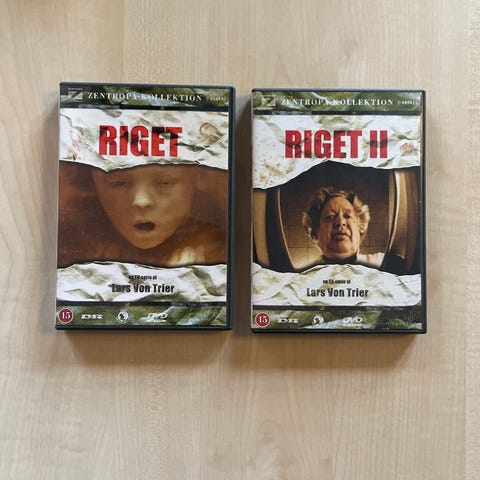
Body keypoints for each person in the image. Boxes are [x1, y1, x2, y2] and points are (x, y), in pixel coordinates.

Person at [57, 162, 227, 268]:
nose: (141, 201)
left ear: (199, 177)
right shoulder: (74, 253)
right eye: (118, 182)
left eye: (165, 182)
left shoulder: (220, 252)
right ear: (93, 180)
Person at [302, 186, 383, 268]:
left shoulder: (382, 262)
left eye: (348, 216)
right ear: (316, 232)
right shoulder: (305, 274)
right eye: (330, 216)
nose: (340, 222)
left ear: (360, 227)